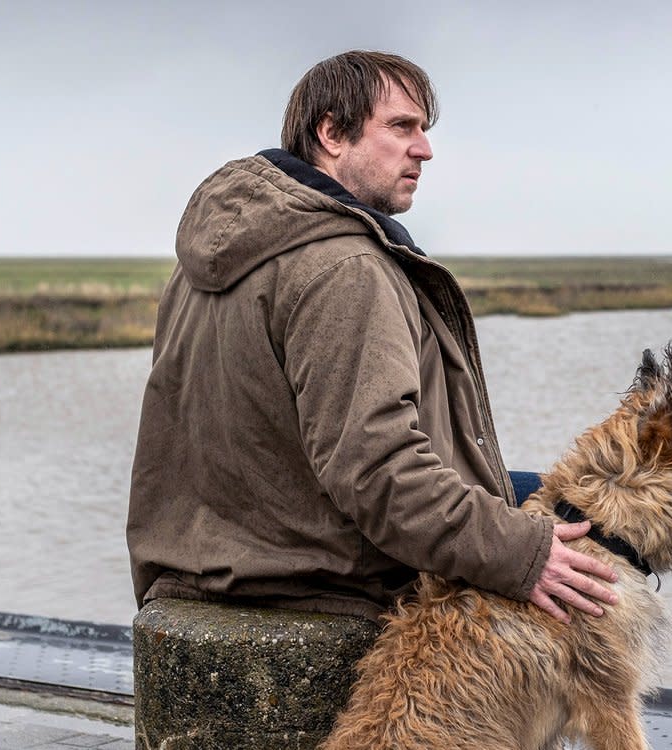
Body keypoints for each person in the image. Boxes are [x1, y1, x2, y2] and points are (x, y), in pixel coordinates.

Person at [126, 50, 617, 626]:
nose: (424, 149)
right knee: (597, 530)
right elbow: (377, 473)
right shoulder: (345, 269)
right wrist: (522, 556)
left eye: (424, 131)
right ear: (332, 132)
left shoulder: (200, 264)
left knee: (546, 490)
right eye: (401, 127)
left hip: (219, 549)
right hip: (316, 573)